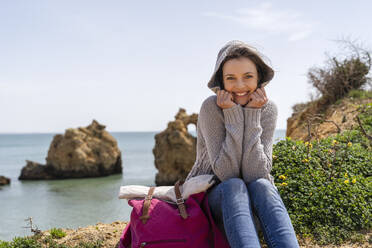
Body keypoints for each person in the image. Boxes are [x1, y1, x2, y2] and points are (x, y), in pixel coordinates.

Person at [185, 40, 300, 248]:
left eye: (248, 77)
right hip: (211, 198)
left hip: (251, 201)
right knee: (234, 185)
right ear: (221, 81)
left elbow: (255, 174)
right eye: (231, 78)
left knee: (264, 185)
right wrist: (232, 114)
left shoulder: (267, 109)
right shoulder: (211, 107)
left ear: (259, 79)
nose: (239, 86)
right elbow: (226, 174)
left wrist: (253, 114)